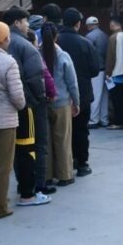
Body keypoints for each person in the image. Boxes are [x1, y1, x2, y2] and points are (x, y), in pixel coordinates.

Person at [0, 22, 47, 210]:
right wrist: (22, 106)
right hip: (5, 120)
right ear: (3, 39)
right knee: (1, 165)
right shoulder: (9, 62)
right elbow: (18, 97)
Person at [1, 7, 49, 201]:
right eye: (25, 21)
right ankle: (36, 187)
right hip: (29, 103)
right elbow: (35, 77)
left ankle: (23, 182)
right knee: (36, 145)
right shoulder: (26, 46)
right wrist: (41, 98)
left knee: (17, 148)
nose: (27, 25)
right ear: (17, 23)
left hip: (6, 105)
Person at [57, 8, 101, 177]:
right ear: (78, 24)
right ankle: (82, 163)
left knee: (60, 132)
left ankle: (62, 165)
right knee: (81, 130)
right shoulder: (85, 43)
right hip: (82, 93)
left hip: (59, 95)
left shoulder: (55, 41)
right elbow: (95, 69)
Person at [42, 23, 79, 186]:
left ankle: (47, 175)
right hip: (62, 103)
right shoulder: (63, 56)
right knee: (63, 140)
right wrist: (76, 102)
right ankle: (65, 175)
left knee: (46, 141)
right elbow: (72, 83)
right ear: (56, 36)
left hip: (43, 103)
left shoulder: (36, 54)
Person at [105, 15, 123, 130]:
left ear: (113, 25)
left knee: (117, 101)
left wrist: (108, 72)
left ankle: (119, 122)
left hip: (116, 73)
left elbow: (110, 57)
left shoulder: (113, 38)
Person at [85, 16, 109, 128]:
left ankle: (94, 120)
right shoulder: (105, 35)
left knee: (95, 95)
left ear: (89, 25)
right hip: (105, 68)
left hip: (96, 70)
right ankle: (104, 119)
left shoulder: (89, 37)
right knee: (104, 96)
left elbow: (88, 55)